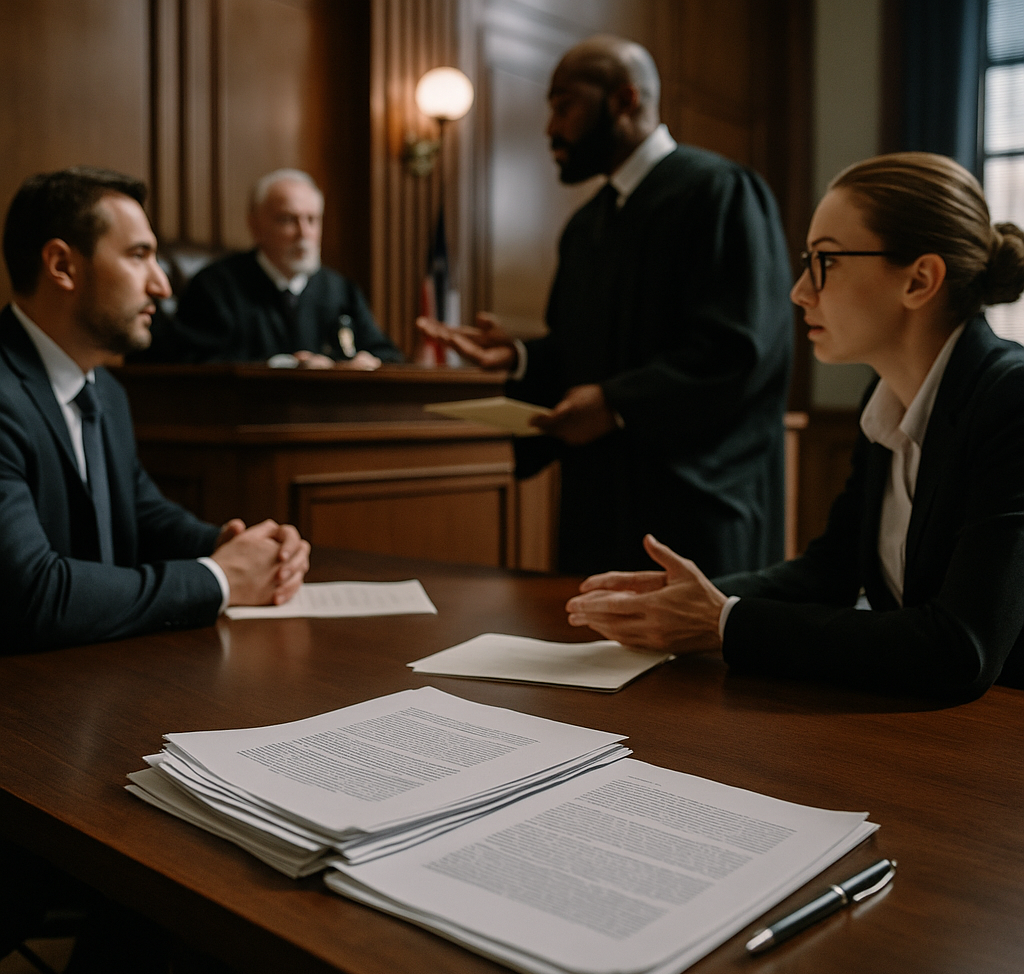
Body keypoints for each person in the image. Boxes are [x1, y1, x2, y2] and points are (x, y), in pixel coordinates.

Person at [566, 152, 1024, 702]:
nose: (800, 290)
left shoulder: (1011, 401)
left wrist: (723, 622)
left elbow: (960, 649)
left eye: (825, 261)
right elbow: (830, 572)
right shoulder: (886, 398)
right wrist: (685, 598)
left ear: (920, 280)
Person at [417, 35, 793, 576]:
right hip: (597, 506)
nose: (550, 128)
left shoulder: (719, 193)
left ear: (624, 100)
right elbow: (588, 351)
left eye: (564, 105)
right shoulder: (586, 224)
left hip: (695, 508)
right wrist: (522, 358)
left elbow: (738, 352)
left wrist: (617, 403)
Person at [0, 167, 311, 655]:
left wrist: (236, 547)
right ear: (62, 265)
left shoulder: (106, 392)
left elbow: (142, 515)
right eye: (139, 256)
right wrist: (220, 578)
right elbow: (33, 595)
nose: (162, 286)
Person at [169, 169, 402, 368]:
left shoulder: (341, 290)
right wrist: (285, 366)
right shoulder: (214, 287)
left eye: (312, 220)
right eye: (288, 220)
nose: (304, 233)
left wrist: (367, 362)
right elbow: (191, 363)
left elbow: (387, 355)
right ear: (255, 226)